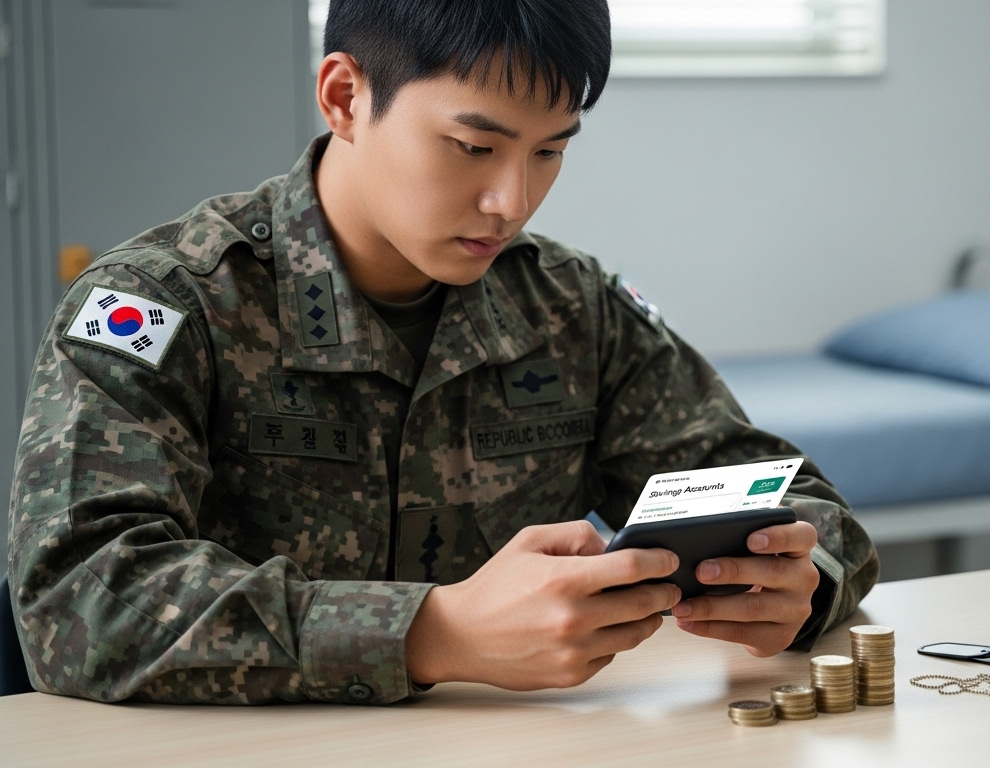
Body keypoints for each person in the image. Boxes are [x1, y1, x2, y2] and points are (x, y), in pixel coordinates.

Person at [6, 0, 877, 705]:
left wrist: (800, 584)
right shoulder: (168, 304)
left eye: (550, 152)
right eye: (474, 147)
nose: (512, 199)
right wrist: (434, 632)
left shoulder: (573, 309)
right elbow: (76, 598)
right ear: (346, 98)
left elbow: (797, 500)